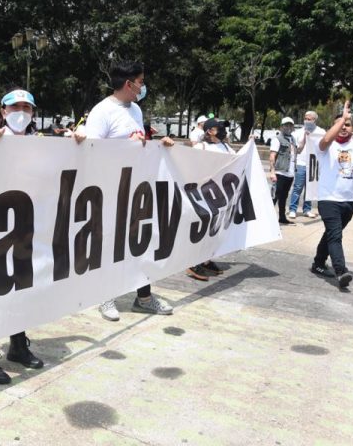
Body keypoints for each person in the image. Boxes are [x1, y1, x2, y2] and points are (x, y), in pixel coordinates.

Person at [73, 61, 174, 321]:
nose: (143, 86)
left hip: (135, 187)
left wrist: (155, 145)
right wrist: (124, 148)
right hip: (109, 190)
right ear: (128, 84)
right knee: (109, 244)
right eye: (140, 81)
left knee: (140, 242)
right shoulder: (102, 112)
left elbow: (138, 143)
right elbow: (92, 152)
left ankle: (144, 297)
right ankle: (105, 296)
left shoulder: (136, 110)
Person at [0, 88, 45, 385]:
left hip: (25, 225)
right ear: (3, 111)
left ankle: (18, 344)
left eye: (27, 108)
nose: (21, 112)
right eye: (15, 107)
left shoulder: (40, 145)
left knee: (22, 286)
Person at [311, 99, 353, 290]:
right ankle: (341, 271)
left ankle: (318, 262)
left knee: (332, 234)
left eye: (348, 125)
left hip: (348, 202)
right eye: (340, 124)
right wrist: (343, 118)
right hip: (328, 199)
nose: (344, 128)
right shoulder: (325, 146)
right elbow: (325, 140)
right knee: (335, 236)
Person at [186, 118, 233, 281]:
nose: (222, 130)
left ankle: (205, 260)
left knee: (214, 228)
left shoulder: (226, 146)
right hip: (205, 193)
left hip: (221, 194)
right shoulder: (201, 147)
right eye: (218, 127)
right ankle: (193, 262)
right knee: (203, 228)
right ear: (209, 131)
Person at [289, 111, 325, 219]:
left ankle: (307, 209)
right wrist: (305, 135)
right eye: (305, 118)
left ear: (315, 120)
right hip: (301, 163)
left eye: (309, 119)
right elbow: (295, 148)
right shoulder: (298, 132)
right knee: (297, 187)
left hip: (314, 164)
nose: (307, 121)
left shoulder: (321, 132)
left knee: (310, 188)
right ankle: (292, 209)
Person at [269, 117, 298, 225]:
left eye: (290, 125)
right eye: (286, 125)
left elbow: (296, 152)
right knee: (275, 196)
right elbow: (272, 156)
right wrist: (272, 172)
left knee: (284, 197)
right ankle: (267, 218)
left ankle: (282, 217)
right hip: (280, 172)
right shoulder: (277, 139)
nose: (288, 127)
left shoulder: (293, 139)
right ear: (281, 127)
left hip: (289, 173)